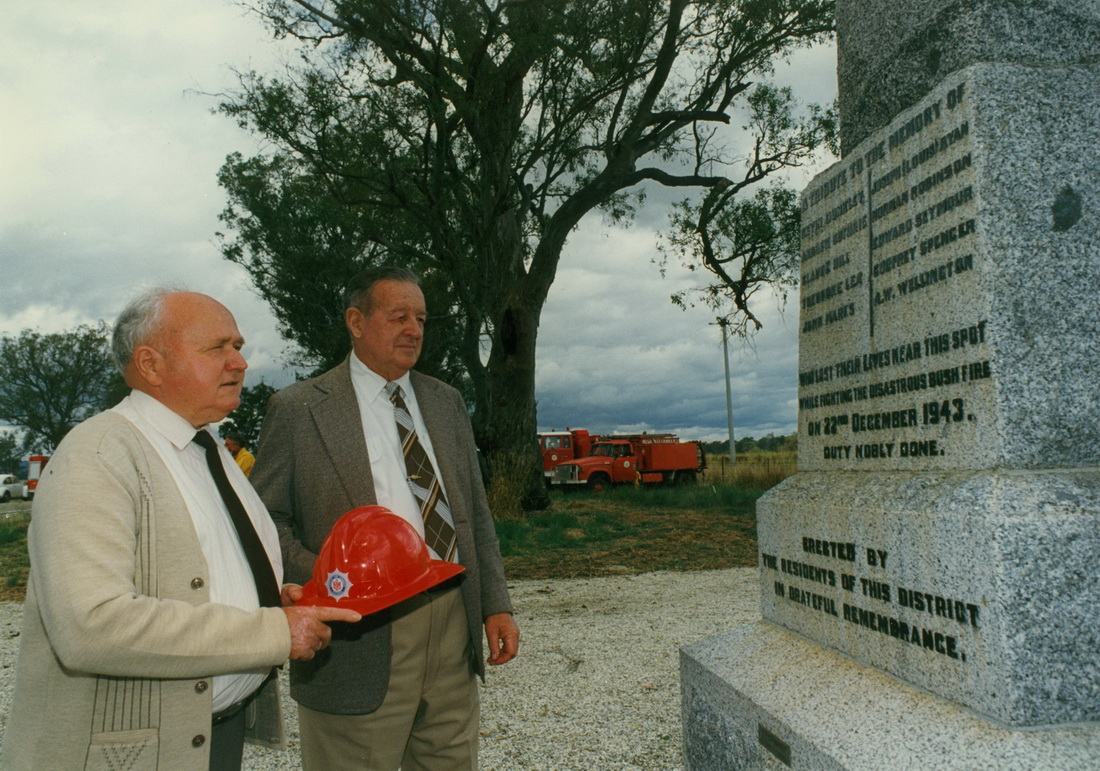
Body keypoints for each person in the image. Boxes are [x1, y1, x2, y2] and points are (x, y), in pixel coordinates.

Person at [1, 289, 360, 770]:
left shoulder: (207, 448)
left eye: (238, 345)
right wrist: (272, 630)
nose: (240, 362)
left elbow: (208, 563)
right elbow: (91, 626)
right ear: (150, 365)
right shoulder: (98, 454)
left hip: (208, 735)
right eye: (218, 348)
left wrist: (272, 600)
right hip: (130, 753)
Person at [252, 266, 519, 770]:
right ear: (356, 321)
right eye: (398, 316)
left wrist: (494, 605)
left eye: (420, 318)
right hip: (356, 637)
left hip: (451, 624)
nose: (414, 329)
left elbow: (476, 516)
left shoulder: (446, 402)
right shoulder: (298, 409)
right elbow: (264, 521)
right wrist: (331, 580)